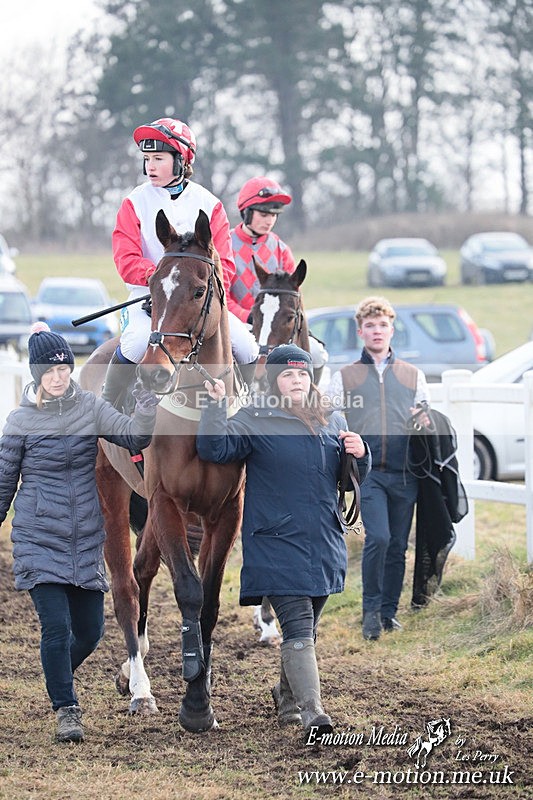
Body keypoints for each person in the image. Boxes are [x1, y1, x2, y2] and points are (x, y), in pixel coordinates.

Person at [196, 344, 370, 737]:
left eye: (302, 374)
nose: (296, 381)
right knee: (298, 626)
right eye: (288, 375)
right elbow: (214, 448)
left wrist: (362, 454)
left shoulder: (331, 418)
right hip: (275, 542)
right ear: (273, 381)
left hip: (324, 541)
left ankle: (287, 697)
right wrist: (215, 407)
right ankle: (313, 714)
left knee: (306, 630)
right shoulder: (255, 417)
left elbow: (347, 480)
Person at [0, 323, 160, 743]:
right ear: (37, 375)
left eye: (63, 369)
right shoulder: (20, 421)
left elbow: (133, 436)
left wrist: (146, 409)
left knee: (90, 633)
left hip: (85, 538)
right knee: (55, 628)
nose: (57, 377)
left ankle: (56, 674)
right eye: (48, 371)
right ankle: (66, 709)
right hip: (38, 537)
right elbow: (4, 482)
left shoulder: (90, 407)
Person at [102, 117, 258, 405]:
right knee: (136, 343)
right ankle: (106, 409)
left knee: (247, 346)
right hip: (149, 295)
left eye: (158, 159)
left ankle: (252, 408)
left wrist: (196, 289)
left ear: (181, 160)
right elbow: (126, 259)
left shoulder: (210, 204)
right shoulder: (133, 202)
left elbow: (225, 264)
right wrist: (163, 279)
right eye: (147, 159)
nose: (150, 166)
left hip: (201, 298)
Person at [325, 296, 430, 641]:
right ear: (360, 331)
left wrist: (424, 420)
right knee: (379, 538)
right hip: (368, 474)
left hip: (406, 474)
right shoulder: (345, 376)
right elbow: (329, 419)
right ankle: (370, 612)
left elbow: (426, 419)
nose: (377, 331)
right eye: (370, 325)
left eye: (383, 325)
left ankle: (389, 612)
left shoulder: (413, 375)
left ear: (392, 329)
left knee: (398, 545)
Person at [229, 176, 328, 373]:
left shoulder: (281, 249)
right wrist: (249, 317)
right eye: (264, 214)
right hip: (239, 324)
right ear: (246, 212)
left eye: (274, 215)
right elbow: (220, 295)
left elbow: (294, 298)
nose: (270, 221)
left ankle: (310, 391)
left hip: (275, 329)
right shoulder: (225, 244)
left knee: (317, 354)